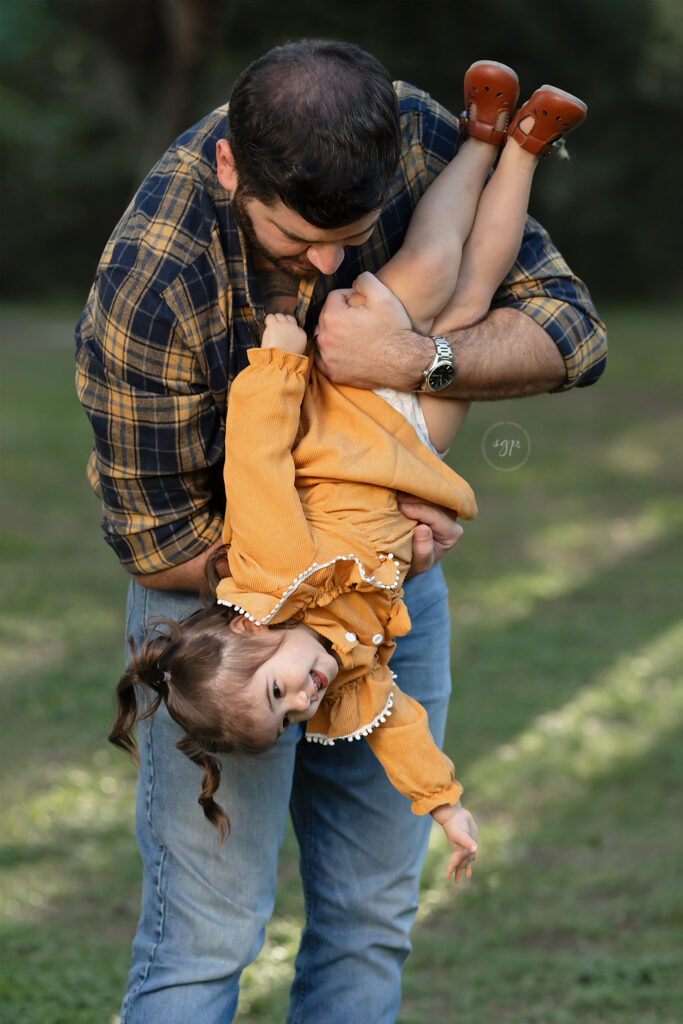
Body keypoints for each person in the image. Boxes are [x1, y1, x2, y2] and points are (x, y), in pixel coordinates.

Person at [75, 40, 606, 1024]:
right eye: (295, 243)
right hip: (219, 597)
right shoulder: (149, 291)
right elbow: (165, 541)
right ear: (233, 169)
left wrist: (411, 355)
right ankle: (505, 144)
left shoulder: (392, 131)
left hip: (360, 460)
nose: (325, 267)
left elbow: (572, 331)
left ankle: (498, 141)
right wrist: (369, 554)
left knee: (369, 914)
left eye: (344, 238)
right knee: (208, 936)